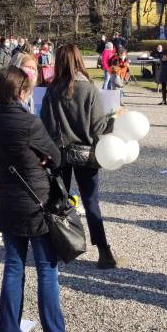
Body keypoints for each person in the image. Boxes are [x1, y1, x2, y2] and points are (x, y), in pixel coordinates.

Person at [0, 66, 89, 332]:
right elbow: (55, 157)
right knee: (47, 271)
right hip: (36, 200)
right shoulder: (28, 122)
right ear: (21, 92)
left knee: (13, 269)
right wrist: (41, 156)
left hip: (7, 197)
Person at [40, 43, 117, 269]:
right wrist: (114, 118)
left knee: (58, 201)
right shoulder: (89, 89)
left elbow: (46, 125)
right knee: (91, 201)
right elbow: (97, 127)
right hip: (86, 152)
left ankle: (58, 245)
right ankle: (103, 250)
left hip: (60, 152)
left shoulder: (52, 90)